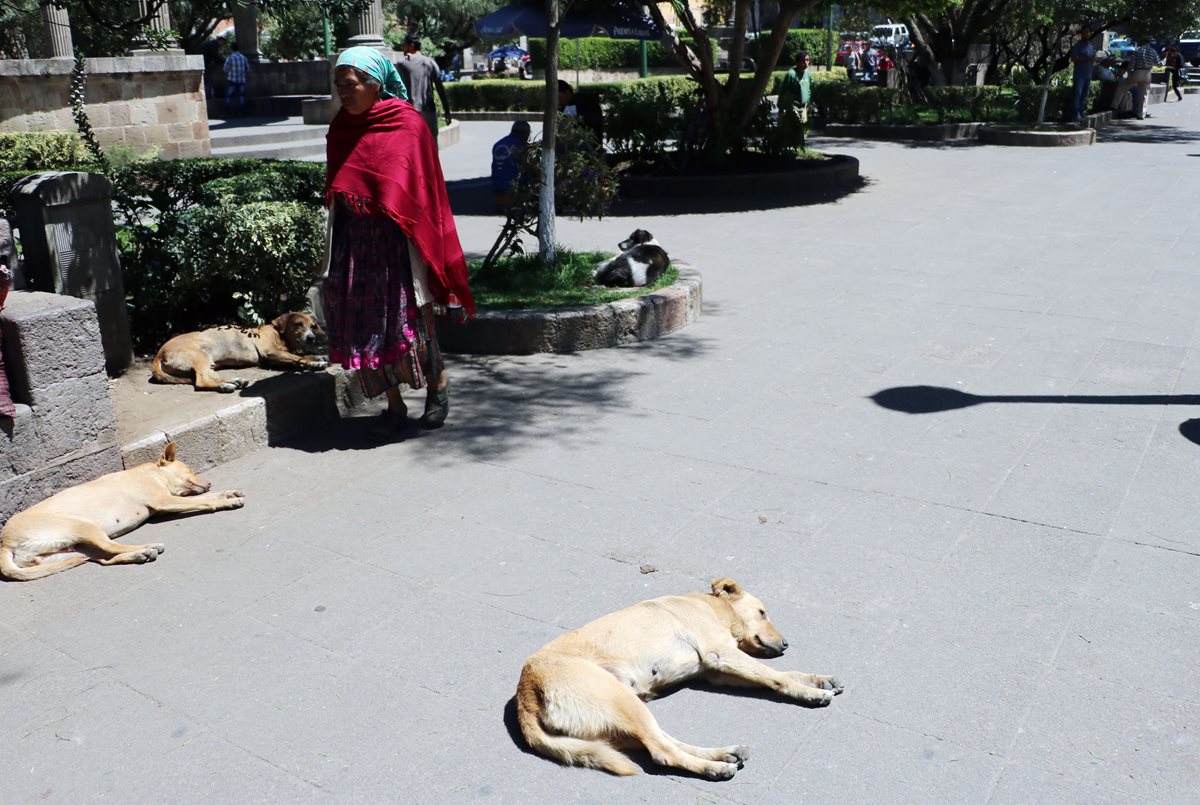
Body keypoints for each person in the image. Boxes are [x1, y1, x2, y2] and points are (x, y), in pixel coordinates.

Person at [324, 47, 475, 440]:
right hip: (354, 243)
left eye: (351, 84)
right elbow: (339, 183)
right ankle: (393, 403)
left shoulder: (407, 124)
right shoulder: (341, 126)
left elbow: (422, 191)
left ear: (375, 85)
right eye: (339, 85)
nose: (344, 91)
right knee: (366, 328)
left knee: (411, 325)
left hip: (399, 245)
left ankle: (437, 383)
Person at [396, 33, 452, 140]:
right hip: (429, 111)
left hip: (410, 112)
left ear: (411, 46)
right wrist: (447, 111)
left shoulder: (402, 64)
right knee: (432, 148)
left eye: (404, 45)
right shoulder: (430, 62)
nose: (403, 48)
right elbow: (440, 88)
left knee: (413, 147)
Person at [1111, 36, 1159, 119]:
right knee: (1144, 94)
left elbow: (1131, 64)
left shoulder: (1137, 50)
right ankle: (1141, 114)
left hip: (1137, 72)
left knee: (1122, 87)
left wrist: (1130, 74)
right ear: (1148, 43)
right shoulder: (1153, 51)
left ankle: (1114, 106)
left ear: (1142, 42)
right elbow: (1158, 62)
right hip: (1147, 72)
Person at [491, 120, 531, 214]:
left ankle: (502, 203)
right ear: (525, 134)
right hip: (513, 187)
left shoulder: (498, 144)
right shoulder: (522, 146)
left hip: (496, 185)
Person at [557, 79, 604, 144]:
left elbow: (593, 122)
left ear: (567, 92)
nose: (559, 101)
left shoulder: (585, 102)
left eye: (560, 98)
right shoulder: (561, 107)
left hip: (589, 143)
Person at [1068, 23, 1096, 122]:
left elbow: (1093, 57)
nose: (1085, 34)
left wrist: (1093, 59)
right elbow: (1073, 58)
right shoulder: (1078, 46)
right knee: (1078, 94)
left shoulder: (1091, 45)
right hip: (1079, 74)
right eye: (1083, 33)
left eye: (1087, 32)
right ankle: (1075, 114)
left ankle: (1081, 112)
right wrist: (1085, 58)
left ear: (1090, 33)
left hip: (1088, 74)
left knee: (1084, 94)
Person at [777, 51, 812, 125]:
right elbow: (784, 92)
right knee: (793, 131)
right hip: (793, 109)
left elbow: (809, 90)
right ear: (797, 62)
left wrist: (807, 104)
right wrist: (781, 109)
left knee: (802, 132)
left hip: (804, 109)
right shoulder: (791, 74)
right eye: (803, 60)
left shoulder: (808, 74)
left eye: (807, 60)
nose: (805, 62)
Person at [223, 40, 249, 116]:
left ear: (232, 48)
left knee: (228, 95)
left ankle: (227, 112)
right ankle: (242, 111)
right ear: (239, 48)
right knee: (241, 95)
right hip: (241, 79)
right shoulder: (243, 57)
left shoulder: (230, 58)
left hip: (232, 79)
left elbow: (225, 69)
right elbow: (247, 68)